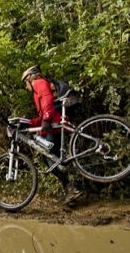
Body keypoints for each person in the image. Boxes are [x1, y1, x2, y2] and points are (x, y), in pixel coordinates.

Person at [21, 65, 83, 206]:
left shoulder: (38, 82)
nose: (26, 86)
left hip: (53, 124)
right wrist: (29, 123)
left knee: (48, 156)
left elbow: (48, 102)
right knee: (54, 158)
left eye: (25, 82)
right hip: (54, 123)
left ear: (30, 77)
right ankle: (71, 190)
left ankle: (70, 187)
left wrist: (47, 119)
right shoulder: (39, 89)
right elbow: (42, 114)